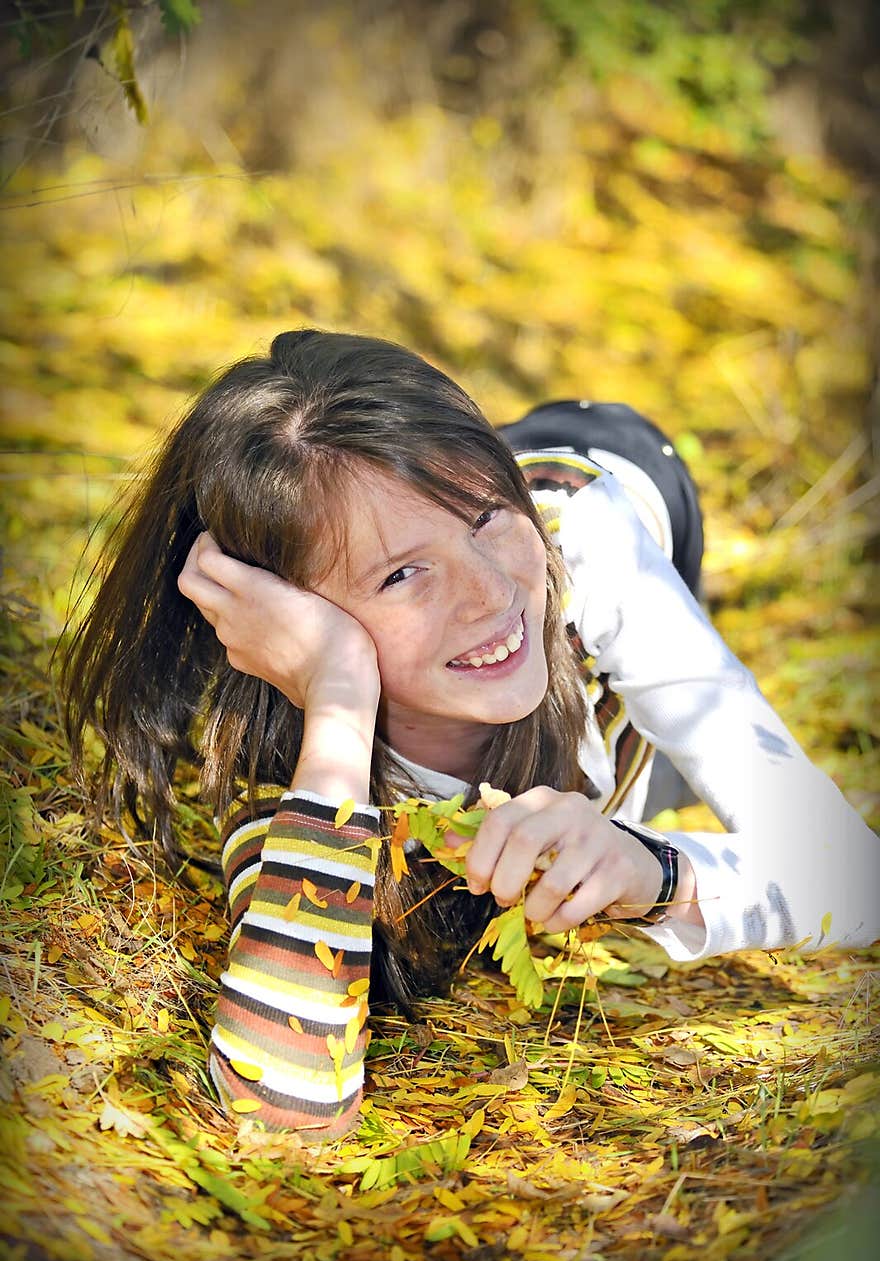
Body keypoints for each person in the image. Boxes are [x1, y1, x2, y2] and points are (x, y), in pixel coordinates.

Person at [60, 328, 880, 1142]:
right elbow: (282, 1106)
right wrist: (341, 698)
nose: (492, 594)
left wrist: (653, 871)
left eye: (487, 519)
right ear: (296, 618)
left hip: (615, 466)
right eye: (401, 574)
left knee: (659, 775)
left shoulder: (578, 543)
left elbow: (853, 873)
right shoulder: (270, 758)